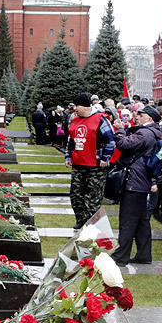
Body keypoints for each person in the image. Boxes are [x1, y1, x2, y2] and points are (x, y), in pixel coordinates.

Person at [111, 105, 162, 266]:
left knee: (127, 220)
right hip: (141, 182)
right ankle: (143, 255)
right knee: (141, 221)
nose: (137, 116)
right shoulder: (151, 132)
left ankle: (121, 256)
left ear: (150, 119)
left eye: (141, 114)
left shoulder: (145, 133)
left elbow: (125, 145)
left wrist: (119, 130)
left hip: (134, 182)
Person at [65, 93, 115, 230]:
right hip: (78, 164)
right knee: (76, 195)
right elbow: (71, 140)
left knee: (92, 198)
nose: (75, 109)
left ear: (84, 106)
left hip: (95, 166)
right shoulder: (75, 120)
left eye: (77, 106)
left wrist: (105, 158)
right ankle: (81, 220)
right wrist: (68, 156)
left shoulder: (100, 120)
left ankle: (93, 225)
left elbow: (110, 141)